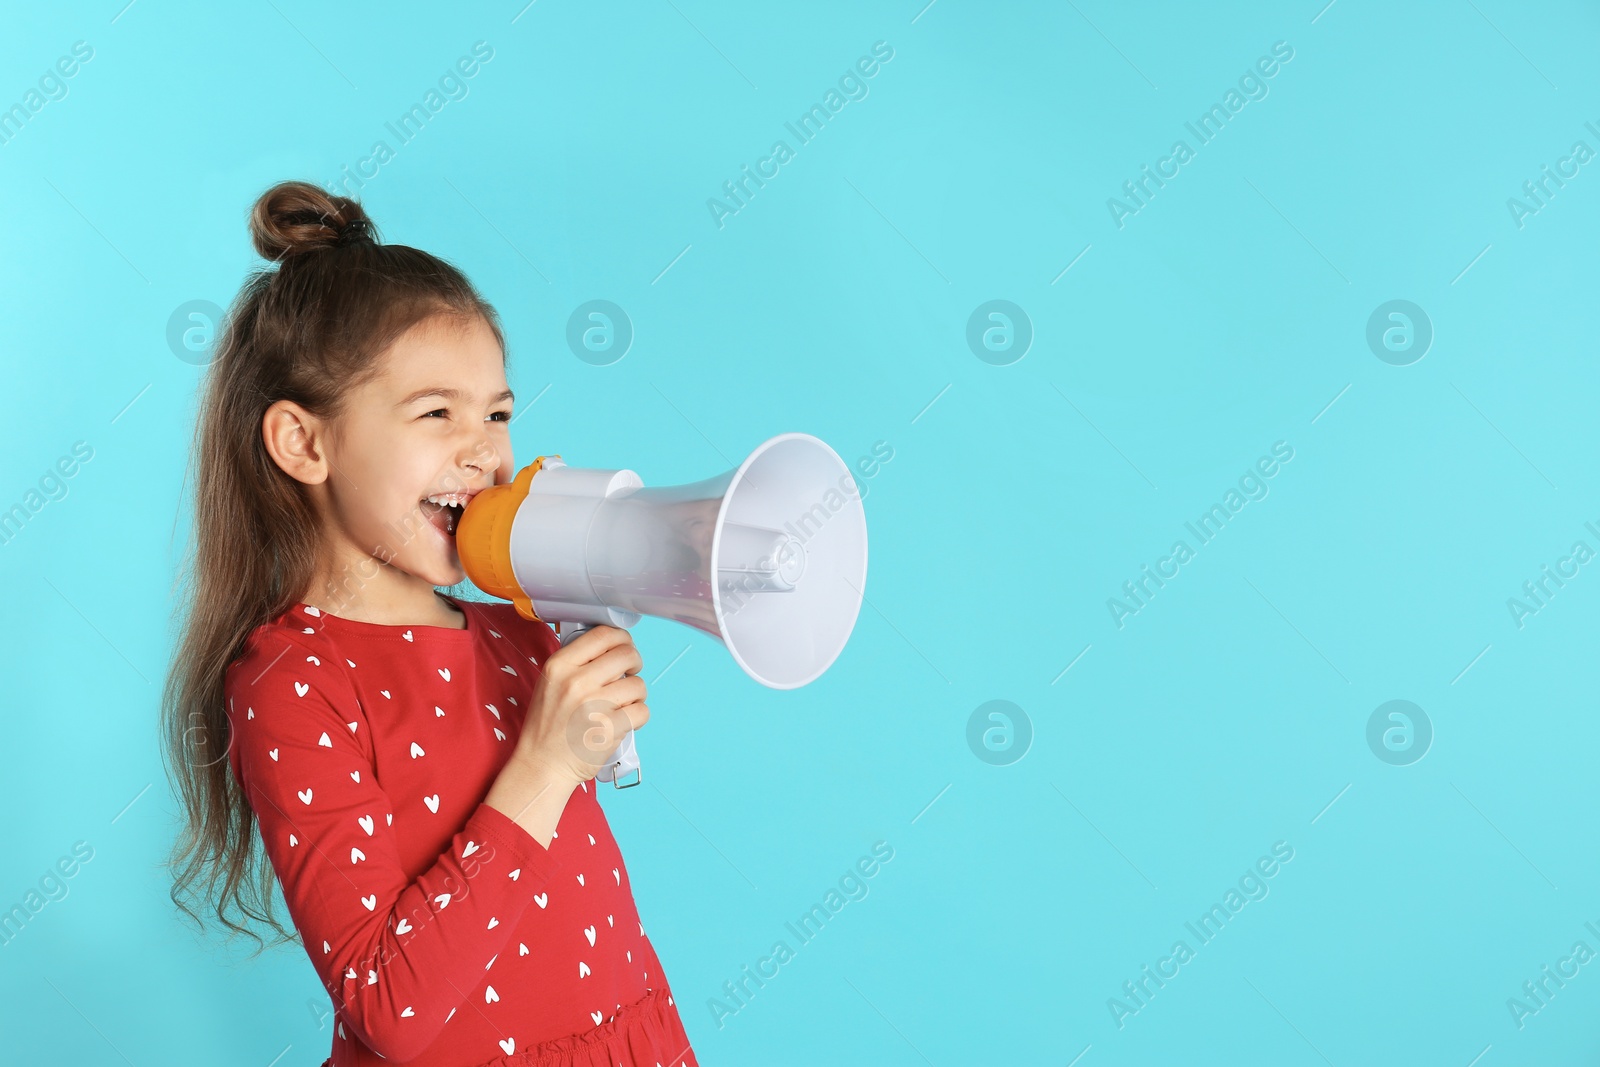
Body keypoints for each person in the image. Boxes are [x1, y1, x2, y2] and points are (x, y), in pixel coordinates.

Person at [159, 179, 697, 1067]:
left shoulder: (522, 631)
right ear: (305, 443)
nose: (483, 449)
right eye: (437, 412)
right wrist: (548, 761)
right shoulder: (293, 681)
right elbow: (393, 1013)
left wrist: (577, 611)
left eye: (497, 414)